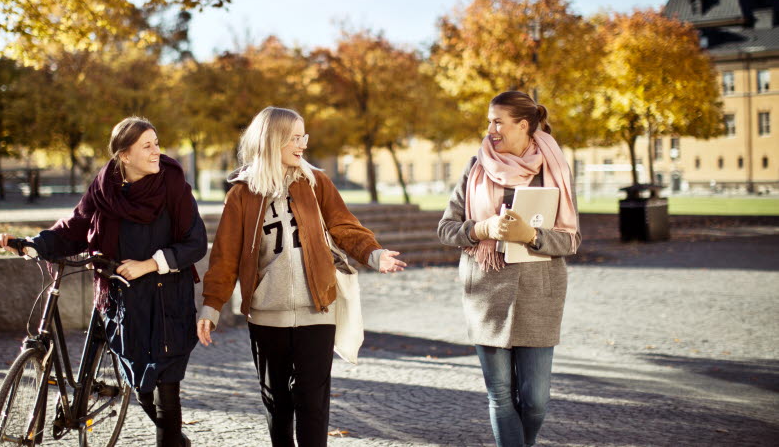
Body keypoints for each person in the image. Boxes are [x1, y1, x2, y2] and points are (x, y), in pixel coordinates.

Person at [197, 106, 406, 447]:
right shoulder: (242, 194)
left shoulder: (316, 182)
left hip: (317, 309)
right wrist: (211, 305)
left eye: (303, 136)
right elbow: (225, 255)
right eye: (294, 137)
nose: (302, 144)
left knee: (312, 401)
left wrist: (374, 253)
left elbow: (344, 225)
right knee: (277, 402)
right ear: (272, 140)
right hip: (267, 316)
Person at [0, 117, 206, 447]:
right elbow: (74, 227)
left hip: (166, 302)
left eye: (156, 143)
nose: (156, 152)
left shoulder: (173, 185)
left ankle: (172, 440)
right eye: (146, 146)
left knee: (166, 393)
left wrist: (149, 264)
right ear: (124, 155)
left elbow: (195, 243)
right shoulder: (104, 187)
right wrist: (31, 243)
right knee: (142, 388)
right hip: (122, 302)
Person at [437, 91, 580, 447]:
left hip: (539, 296)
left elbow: (572, 240)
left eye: (498, 121)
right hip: (486, 292)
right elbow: (446, 229)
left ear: (523, 125)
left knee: (534, 402)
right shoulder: (475, 167)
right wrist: (480, 229)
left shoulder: (554, 169)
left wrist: (531, 235)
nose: (491, 129)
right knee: (500, 396)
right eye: (489, 121)